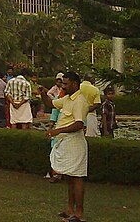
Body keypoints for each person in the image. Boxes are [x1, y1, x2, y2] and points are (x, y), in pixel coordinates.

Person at [39, 72, 88, 222]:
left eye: (66, 84)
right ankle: (69, 209)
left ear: (75, 84)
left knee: (77, 177)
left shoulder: (79, 100)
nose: (63, 86)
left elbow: (79, 124)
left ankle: (79, 214)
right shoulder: (67, 99)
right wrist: (43, 93)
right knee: (70, 177)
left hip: (75, 142)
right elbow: (50, 104)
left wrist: (57, 130)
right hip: (65, 142)